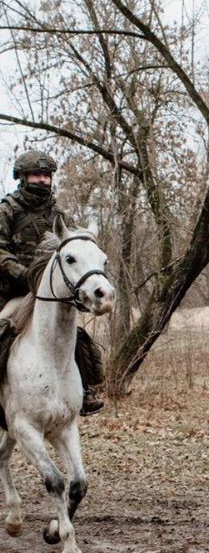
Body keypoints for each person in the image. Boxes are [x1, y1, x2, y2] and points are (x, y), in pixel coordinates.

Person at [0, 150, 104, 415]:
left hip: (51, 293)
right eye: (37, 174)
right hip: (14, 290)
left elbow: (71, 250)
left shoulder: (57, 213)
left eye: (46, 175)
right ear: (22, 177)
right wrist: (24, 274)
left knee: (76, 336)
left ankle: (85, 390)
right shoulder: (7, 210)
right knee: (1, 331)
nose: (43, 180)